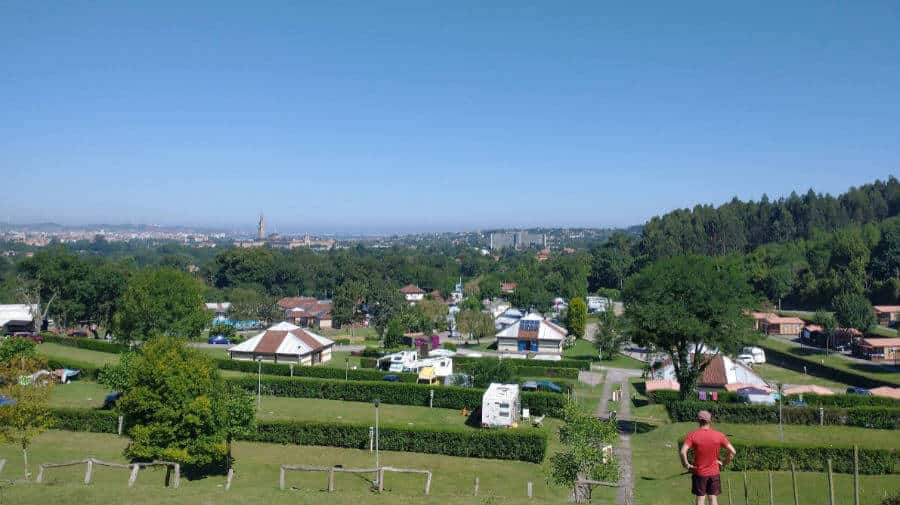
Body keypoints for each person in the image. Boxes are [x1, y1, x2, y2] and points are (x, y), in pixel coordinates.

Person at [679, 410, 736, 505]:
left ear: (698, 420)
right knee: (713, 499)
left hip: (699, 473)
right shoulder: (719, 435)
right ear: (710, 421)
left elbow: (682, 451)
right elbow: (733, 452)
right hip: (714, 473)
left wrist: (687, 465)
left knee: (700, 499)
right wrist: (723, 462)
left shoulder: (692, 435)